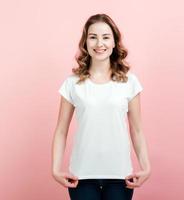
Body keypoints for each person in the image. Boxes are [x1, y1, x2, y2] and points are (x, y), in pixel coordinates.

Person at [51, 14, 151, 200]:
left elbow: (137, 130)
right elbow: (61, 131)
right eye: (93, 37)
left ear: (114, 42)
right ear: (85, 42)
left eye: (106, 37)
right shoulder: (72, 83)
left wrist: (146, 168)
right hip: (81, 176)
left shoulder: (130, 82)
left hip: (120, 176)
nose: (99, 43)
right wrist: (55, 169)